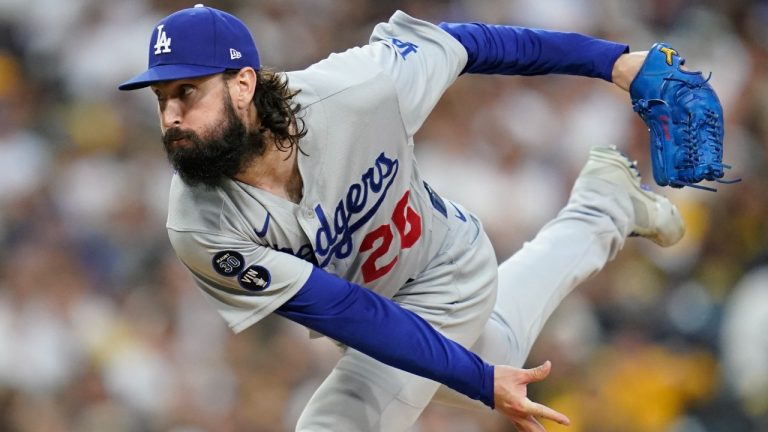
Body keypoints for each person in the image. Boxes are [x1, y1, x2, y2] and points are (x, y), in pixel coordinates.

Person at [118, 5, 687, 431]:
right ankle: (605, 206)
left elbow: (470, 44)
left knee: (334, 425)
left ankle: (599, 212)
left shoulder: (355, 89)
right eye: (160, 96)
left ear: (242, 84)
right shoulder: (197, 222)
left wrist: (613, 62)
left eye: (187, 91)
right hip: (380, 316)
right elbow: (345, 311)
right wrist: (481, 378)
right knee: (498, 350)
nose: (170, 115)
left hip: (443, 270)